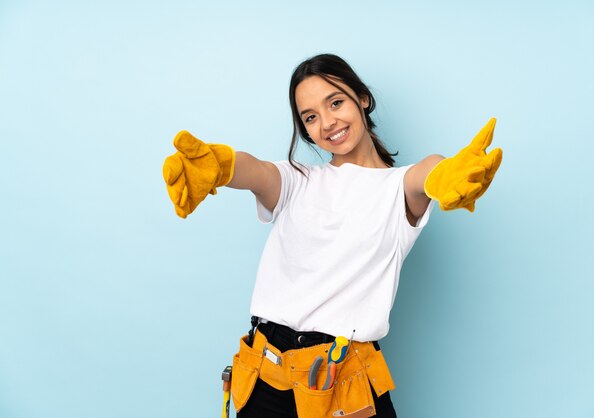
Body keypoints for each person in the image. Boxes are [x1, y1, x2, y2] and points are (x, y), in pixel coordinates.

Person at [162, 53, 502, 418]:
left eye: (336, 102)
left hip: (344, 384)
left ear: (363, 98)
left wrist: (447, 174)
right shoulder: (298, 180)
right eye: (310, 117)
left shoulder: (397, 186)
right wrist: (222, 166)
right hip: (265, 373)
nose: (327, 122)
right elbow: (255, 171)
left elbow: (428, 171)